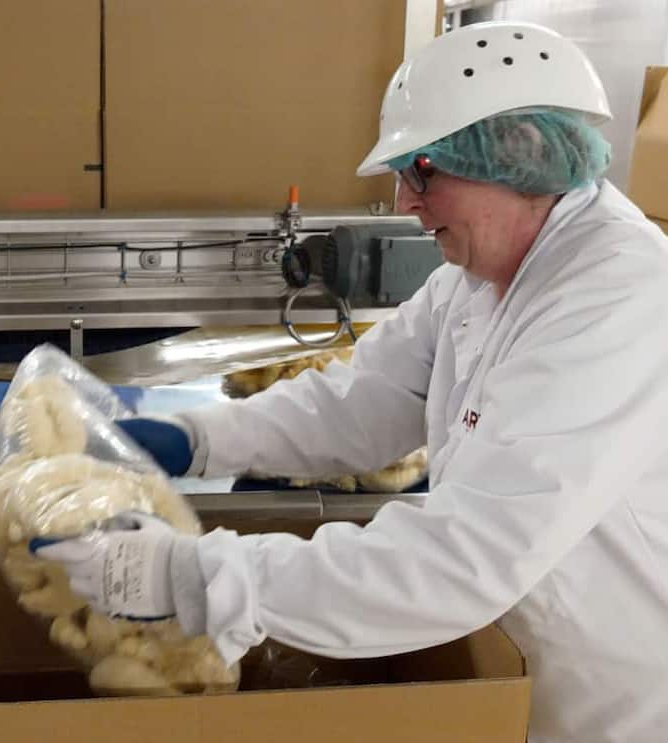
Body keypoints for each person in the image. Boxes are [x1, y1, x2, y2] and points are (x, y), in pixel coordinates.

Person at [35, 21, 668, 743]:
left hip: (608, 697)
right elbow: (360, 403)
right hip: (522, 664)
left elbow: (466, 557)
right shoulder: (475, 280)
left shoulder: (618, 295)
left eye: (422, 169)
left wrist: (191, 575)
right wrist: (193, 438)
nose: (403, 202)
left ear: (519, 156)